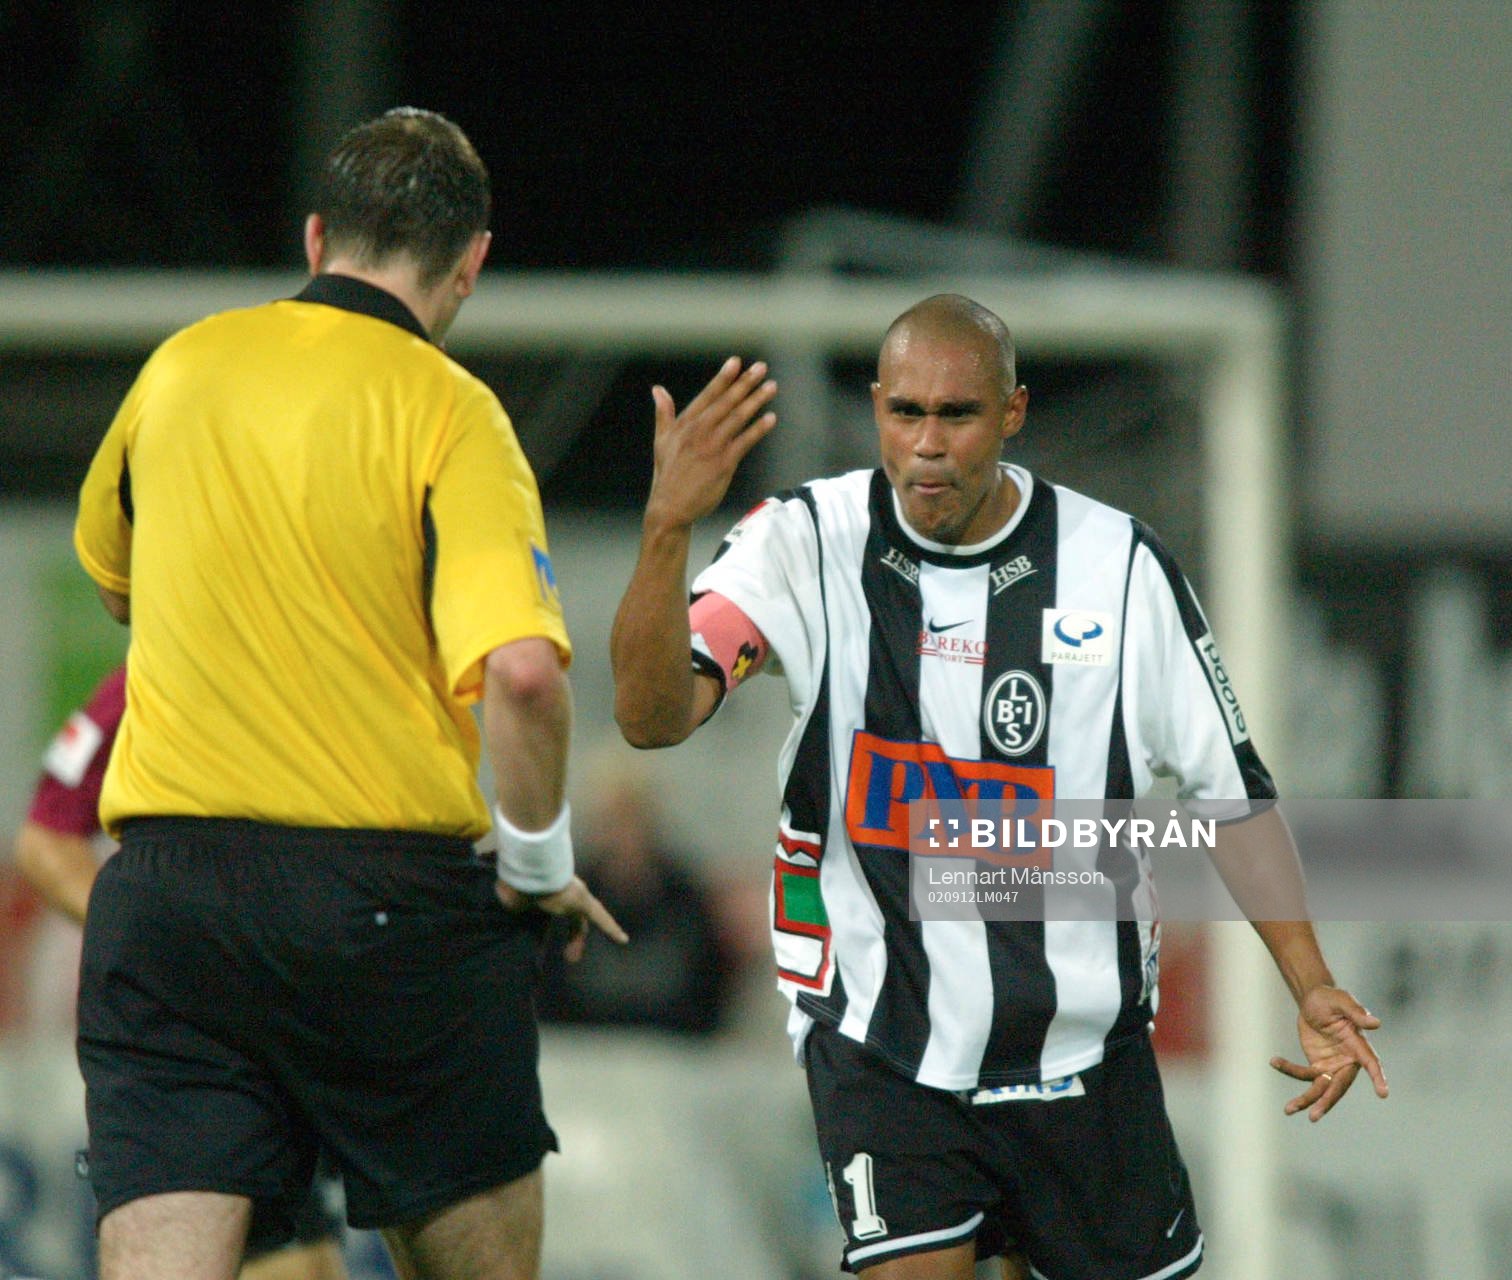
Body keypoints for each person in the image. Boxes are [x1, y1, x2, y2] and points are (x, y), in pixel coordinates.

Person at [609, 295, 1389, 1280]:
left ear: (1013, 413)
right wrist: (666, 528)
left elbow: (1228, 792)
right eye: (906, 413)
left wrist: (1310, 983)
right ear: (877, 408)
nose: (927, 444)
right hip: (884, 1043)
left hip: (1080, 1050)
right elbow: (652, 714)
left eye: (958, 415)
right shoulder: (805, 543)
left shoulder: (1117, 568)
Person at [71, 107, 624, 1280]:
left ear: (318, 237)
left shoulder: (178, 368)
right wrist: (537, 865)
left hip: (169, 903)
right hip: (385, 914)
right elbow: (522, 674)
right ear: (471, 262)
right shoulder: (448, 410)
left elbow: (118, 580)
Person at [13, 665, 348, 1280]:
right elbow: (44, 840)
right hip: (193, 1033)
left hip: (298, 1024)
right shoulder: (148, 677)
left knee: (309, 1261)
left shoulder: (320, 654)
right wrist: (155, 936)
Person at [535, 756, 733, 1037]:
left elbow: (708, 994)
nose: (622, 835)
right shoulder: (563, 903)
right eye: (611, 821)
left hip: (673, 1062)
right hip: (582, 1060)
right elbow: (548, 997)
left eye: (631, 819)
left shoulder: (685, 900)